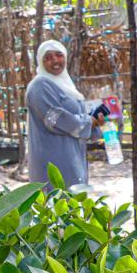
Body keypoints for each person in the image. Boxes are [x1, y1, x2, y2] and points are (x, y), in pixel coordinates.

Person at [26, 40, 104, 188]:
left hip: (73, 157)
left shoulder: (67, 86)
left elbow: (80, 117)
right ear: (41, 62)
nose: (55, 60)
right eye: (48, 57)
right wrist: (89, 122)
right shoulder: (39, 86)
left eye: (59, 55)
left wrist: (96, 121)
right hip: (53, 159)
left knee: (73, 204)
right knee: (56, 202)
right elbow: (55, 119)